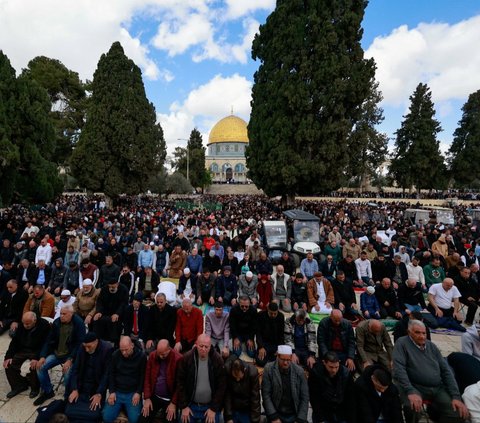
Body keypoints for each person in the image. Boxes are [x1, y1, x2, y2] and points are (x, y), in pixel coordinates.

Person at [393, 319, 469, 423]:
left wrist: (456, 396)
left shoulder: (431, 346)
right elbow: (399, 368)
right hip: (415, 387)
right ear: (409, 332)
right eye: (417, 333)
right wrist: (410, 390)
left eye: (424, 333)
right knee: (412, 407)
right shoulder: (402, 343)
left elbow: (446, 371)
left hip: (437, 388)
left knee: (458, 413)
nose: (422, 336)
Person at [34, 305, 86, 406]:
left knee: (68, 375)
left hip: (70, 355)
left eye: (64, 314)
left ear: (71, 314)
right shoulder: (57, 322)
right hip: (57, 353)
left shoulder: (79, 324)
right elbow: (49, 340)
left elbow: (80, 344)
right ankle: (48, 391)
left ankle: (68, 395)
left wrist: (70, 359)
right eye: (61, 313)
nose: (61, 316)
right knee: (40, 368)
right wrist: (42, 356)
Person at [176, 334, 226, 423]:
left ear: (210, 346)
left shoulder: (218, 360)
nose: (203, 349)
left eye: (206, 347)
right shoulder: (187, 358)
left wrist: (213, 409)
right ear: (196, 345)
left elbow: (222, 386)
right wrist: (184, 406)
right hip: (191, 405)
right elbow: (180, 383)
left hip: (210, 406)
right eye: (201, 346)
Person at [65, 332, 114, 423]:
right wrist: (75, 389)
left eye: (89, 347)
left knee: (95, 415)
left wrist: (99, 393)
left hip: (96, 389)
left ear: (96, 342)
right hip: (81, 387)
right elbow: (76, 369)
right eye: (85, 347)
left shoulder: (107, 349)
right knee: (68, 411)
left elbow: (106, 375)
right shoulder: (82, 347)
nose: (86, 350)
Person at [3, 311, 51, 399]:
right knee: (9, 364)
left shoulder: (44, 325)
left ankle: (35, 388)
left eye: (28, 324)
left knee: (34, 365)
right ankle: (19, 385)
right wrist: (8, 356)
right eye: (24, 323)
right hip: (23, 349)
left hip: (37, 350)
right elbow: (14, 342)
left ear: (35, 320)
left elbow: (45, 344)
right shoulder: (22, 325)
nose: (25, 325)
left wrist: (37, 357)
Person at [102, 336, 147, 423]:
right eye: (122, 350)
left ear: (132, 345)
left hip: (132, 393)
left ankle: (125, 407)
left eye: (126, 349)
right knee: (106, 417)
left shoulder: (141, 357)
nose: (124, 352)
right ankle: (121, 406)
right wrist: (112, 391)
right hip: (117, 392)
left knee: (135, 419)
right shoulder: (115, 355)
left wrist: (138, 392)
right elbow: (111, 374)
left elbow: (143, 376)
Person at [261, 344, 309, 423]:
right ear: (277, 357)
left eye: (288, 360)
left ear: (291, 358)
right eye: (283, 359)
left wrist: (300, 419)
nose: (286, 363)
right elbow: (266, 395)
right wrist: (274, 417)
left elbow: (305, 397)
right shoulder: (269, 369)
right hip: (276, 412)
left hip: (294, 414)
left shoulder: (299, 371)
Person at [139, 339, 182, 423]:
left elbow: (180, 385)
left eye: (163, 354)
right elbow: (147, 377)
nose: (160, 356)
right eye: (159, 353)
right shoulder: (153, 355)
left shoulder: (178, 359)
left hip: (170, 399)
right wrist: (147, 398)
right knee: (142, 420)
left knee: (170, 420)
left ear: (169, 349)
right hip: (154, 396)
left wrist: (173, 403)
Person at [308, 351, 355, 423]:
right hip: (324, 412)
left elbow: (350, 398)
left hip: (341, 412)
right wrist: (321, 419)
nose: (334, 370)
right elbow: (314, 398)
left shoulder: (346, 374)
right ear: (324, 363)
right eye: (331, 367)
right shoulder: (316, 373)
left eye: (336, 367)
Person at [224, 358, 261, 423]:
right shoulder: (227, 370)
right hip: (233, 408)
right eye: (235, 377)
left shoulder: (252, 373)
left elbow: (255, 398)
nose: (237, 380)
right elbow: (227, 395)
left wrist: (255, 420)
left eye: (239, 377)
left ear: (244, 370)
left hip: (247, 409)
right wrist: (228, 417)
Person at [93, 279, 129, 344]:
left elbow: (123, 304)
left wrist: (117, 314)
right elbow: (100, 301)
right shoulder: (104, 289)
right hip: (105, 312)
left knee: (115, 322)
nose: (111, 288)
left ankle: (114, 343)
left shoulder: (124, 289)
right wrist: (99, 312)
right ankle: (98, 341)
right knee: (97, 319)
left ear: (117, 284)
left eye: (113, 287)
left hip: (119, 313)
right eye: (110, 287)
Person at [255, 302, 285, 367]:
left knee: (279, 362)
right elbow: (258, 333)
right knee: (260, 362)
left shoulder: (281, 316)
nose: (273, 315)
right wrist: (260, 347)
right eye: (271, 313)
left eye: (275, 314)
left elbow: (281, 335)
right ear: (268, 310)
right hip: (264, 344)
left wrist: (279, 349)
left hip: (275, 344)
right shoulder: (261, 315)